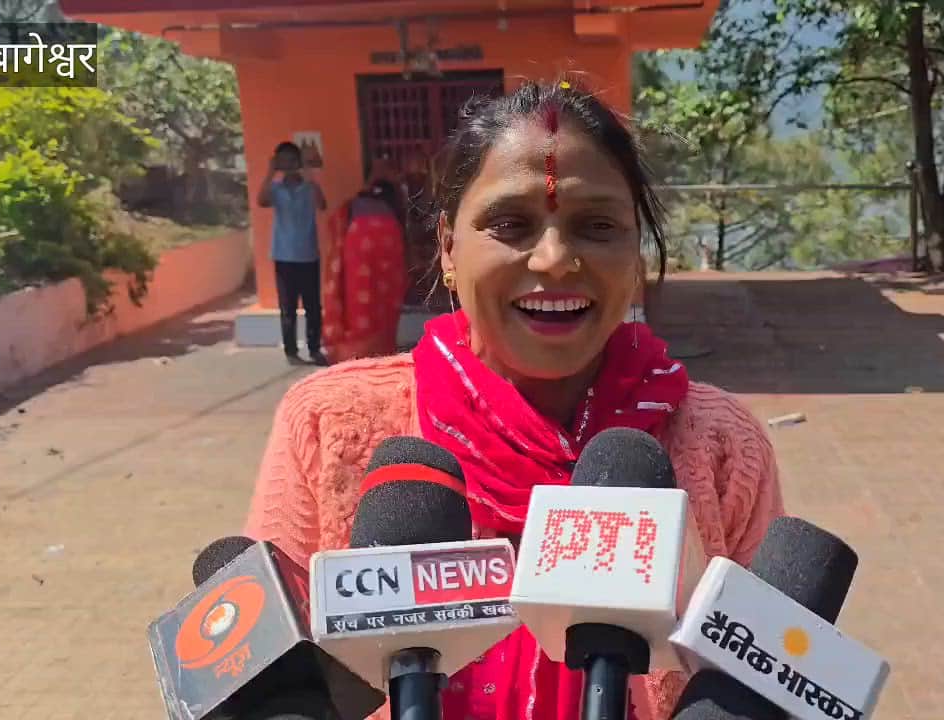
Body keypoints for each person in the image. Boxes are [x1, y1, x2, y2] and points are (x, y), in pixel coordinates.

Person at [244, 81, 784, 720]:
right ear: (448, 248)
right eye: (511, 224)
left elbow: (762, 686)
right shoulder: (328, 427)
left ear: (635, 250)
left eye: (597, 226)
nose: (555, 260)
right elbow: (274, 685)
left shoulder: (721, 447)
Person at [321, 162, 409, 361]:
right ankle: (381, 348)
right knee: (386, 298)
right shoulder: (395, 199)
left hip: (357, 244)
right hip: (389, 242)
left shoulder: (354, 204)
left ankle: (356, 352)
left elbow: (335, 222)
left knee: (358, 299)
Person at [258, 141, 329, 366]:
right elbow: (261, 201)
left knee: (313, 307)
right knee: (287, 308)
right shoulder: (276, 189)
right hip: (284, 257)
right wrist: (271, 172)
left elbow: (322, 204)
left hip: (308, 255)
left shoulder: (308, 187)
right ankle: (291, 351)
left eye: (291, 160)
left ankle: (315, 349)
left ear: (298, 162)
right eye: (282, 161)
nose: (287, 165)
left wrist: (308, 172)